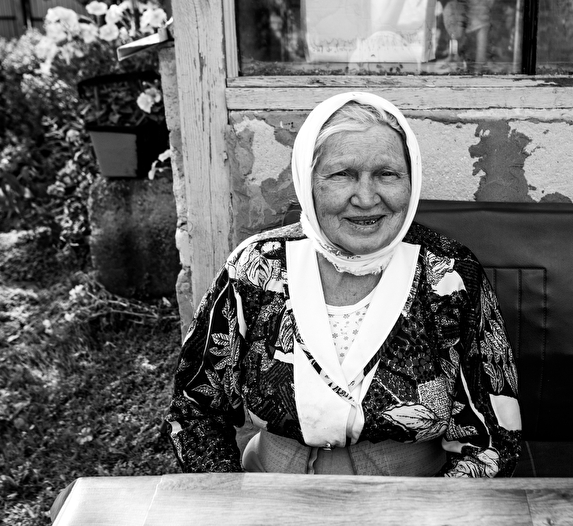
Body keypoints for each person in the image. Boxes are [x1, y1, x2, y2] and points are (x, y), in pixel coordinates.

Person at [164, 91, 522, 477]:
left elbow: (492, 439)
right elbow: (195, 411)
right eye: (342, 174)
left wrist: (433, 508)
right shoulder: (256, 267)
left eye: (386, 174)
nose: (366, 198)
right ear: (308, 182)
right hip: (272, 489)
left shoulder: (449, 274)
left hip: (414, 495)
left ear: (411, 179)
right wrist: (232, 500)